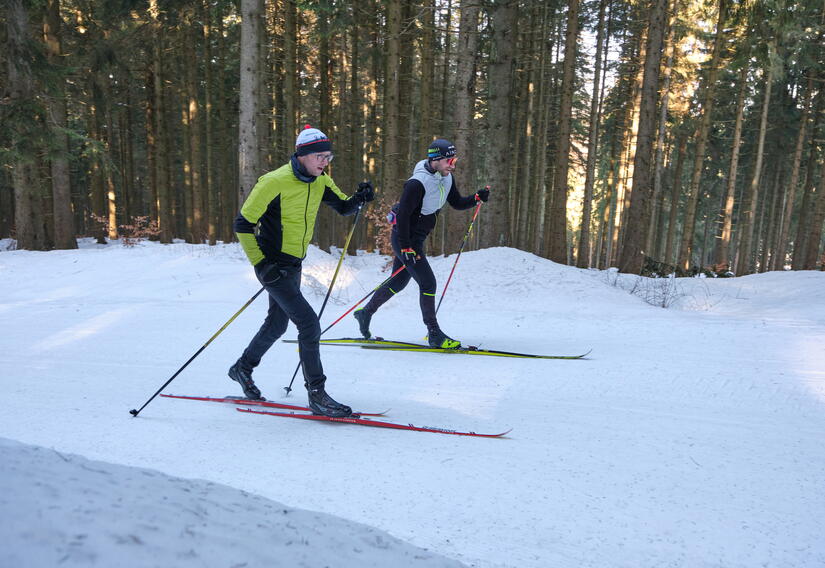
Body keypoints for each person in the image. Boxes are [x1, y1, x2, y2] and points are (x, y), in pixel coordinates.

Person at [230, 125, 374, 417]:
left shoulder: (320, 181)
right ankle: (317, 394)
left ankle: (241, 369)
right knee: (308, 324)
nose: (325, 162)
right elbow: (243, 224)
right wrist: (261, 265)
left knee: (277, 325)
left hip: (293, 264)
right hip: (271, 265)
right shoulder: (274, 181)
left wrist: (360, 198)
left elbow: (344, 207)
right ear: (303, 155)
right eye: (320, 156)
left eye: (328, 157)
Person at [353, 139, 489, 348]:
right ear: (436, 160)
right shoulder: (417, 183)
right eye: (450, 160)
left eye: (455, 160)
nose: (453, 164)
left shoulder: (446, 177)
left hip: (416, 238)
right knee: (428, 283)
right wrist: (407, 247)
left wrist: (477, 197)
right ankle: (434, 333)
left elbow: (457, 202)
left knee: (398, 282)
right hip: (405, 237)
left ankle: (365, 313)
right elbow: (404, 217)